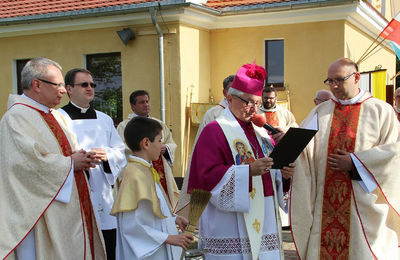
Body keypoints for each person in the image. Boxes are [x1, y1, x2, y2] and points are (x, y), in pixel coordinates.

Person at [180, 63, 295, 259]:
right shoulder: (214, 130)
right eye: (248, 102)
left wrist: (283, 174)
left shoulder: (261, 132)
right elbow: (205, 177)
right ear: (230, 98)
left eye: (257, 103)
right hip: (230, 221)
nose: (254, 109)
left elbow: (271, 176)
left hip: (264, 213)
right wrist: (248, 171)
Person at [290, 58, 400, 259]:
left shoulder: (381, 111)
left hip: (363, 207)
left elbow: (394, 155)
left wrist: (356, 163)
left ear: (356, 77)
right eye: (329, 81)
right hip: (324, 206)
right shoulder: (320, 112)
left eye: (339, 80)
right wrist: (288, 145)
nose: (333, 86)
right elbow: (303, 151)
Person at [0, 58, 106, 259]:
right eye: (57, 84)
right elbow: (23, 165)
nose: (63, 90)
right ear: (37, 84)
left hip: (69, 207)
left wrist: (82, 157)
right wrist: (70, 163)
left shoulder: (56, 116)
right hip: (39, 214)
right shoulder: (16, 118)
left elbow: (69, 151)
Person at [58, 68, 127, 260]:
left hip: (103, 193)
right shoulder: (58, 118)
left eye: (92, 84)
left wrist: (107, 155)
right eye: (84, 84)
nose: (90, 88)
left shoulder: (104, 119)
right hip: (74, 189)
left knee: (107, 246)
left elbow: (121, 152)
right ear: (70, 89)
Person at [111, 116, 193, 259]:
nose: (162, 146)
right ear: (146, 143)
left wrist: (174, 219)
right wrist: (167, 238)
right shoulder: (135, 176)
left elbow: (150, 213)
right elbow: (131, 225)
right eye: (160, 140)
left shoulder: (144, 169)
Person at [117, 90, 179, 210]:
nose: (146, 105)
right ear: (132, 106)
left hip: (160, 168)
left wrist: (165, 148)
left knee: (163, 202)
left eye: (147, 101)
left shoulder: (158, 124)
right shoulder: (125, 126)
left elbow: (171, 143)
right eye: (141, 102)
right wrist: (147, 149)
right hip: (138, 170)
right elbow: (121, 149)